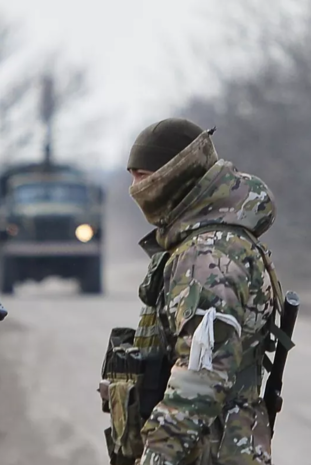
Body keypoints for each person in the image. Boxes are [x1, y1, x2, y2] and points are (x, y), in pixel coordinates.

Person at [104, 117, 282, 465]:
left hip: (209, 452)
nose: (136, 187)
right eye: (132, 176)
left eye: (143, 176)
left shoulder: (208, 256)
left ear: (173, 175)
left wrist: (157, 457)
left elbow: (202, 373)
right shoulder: (201, 244)